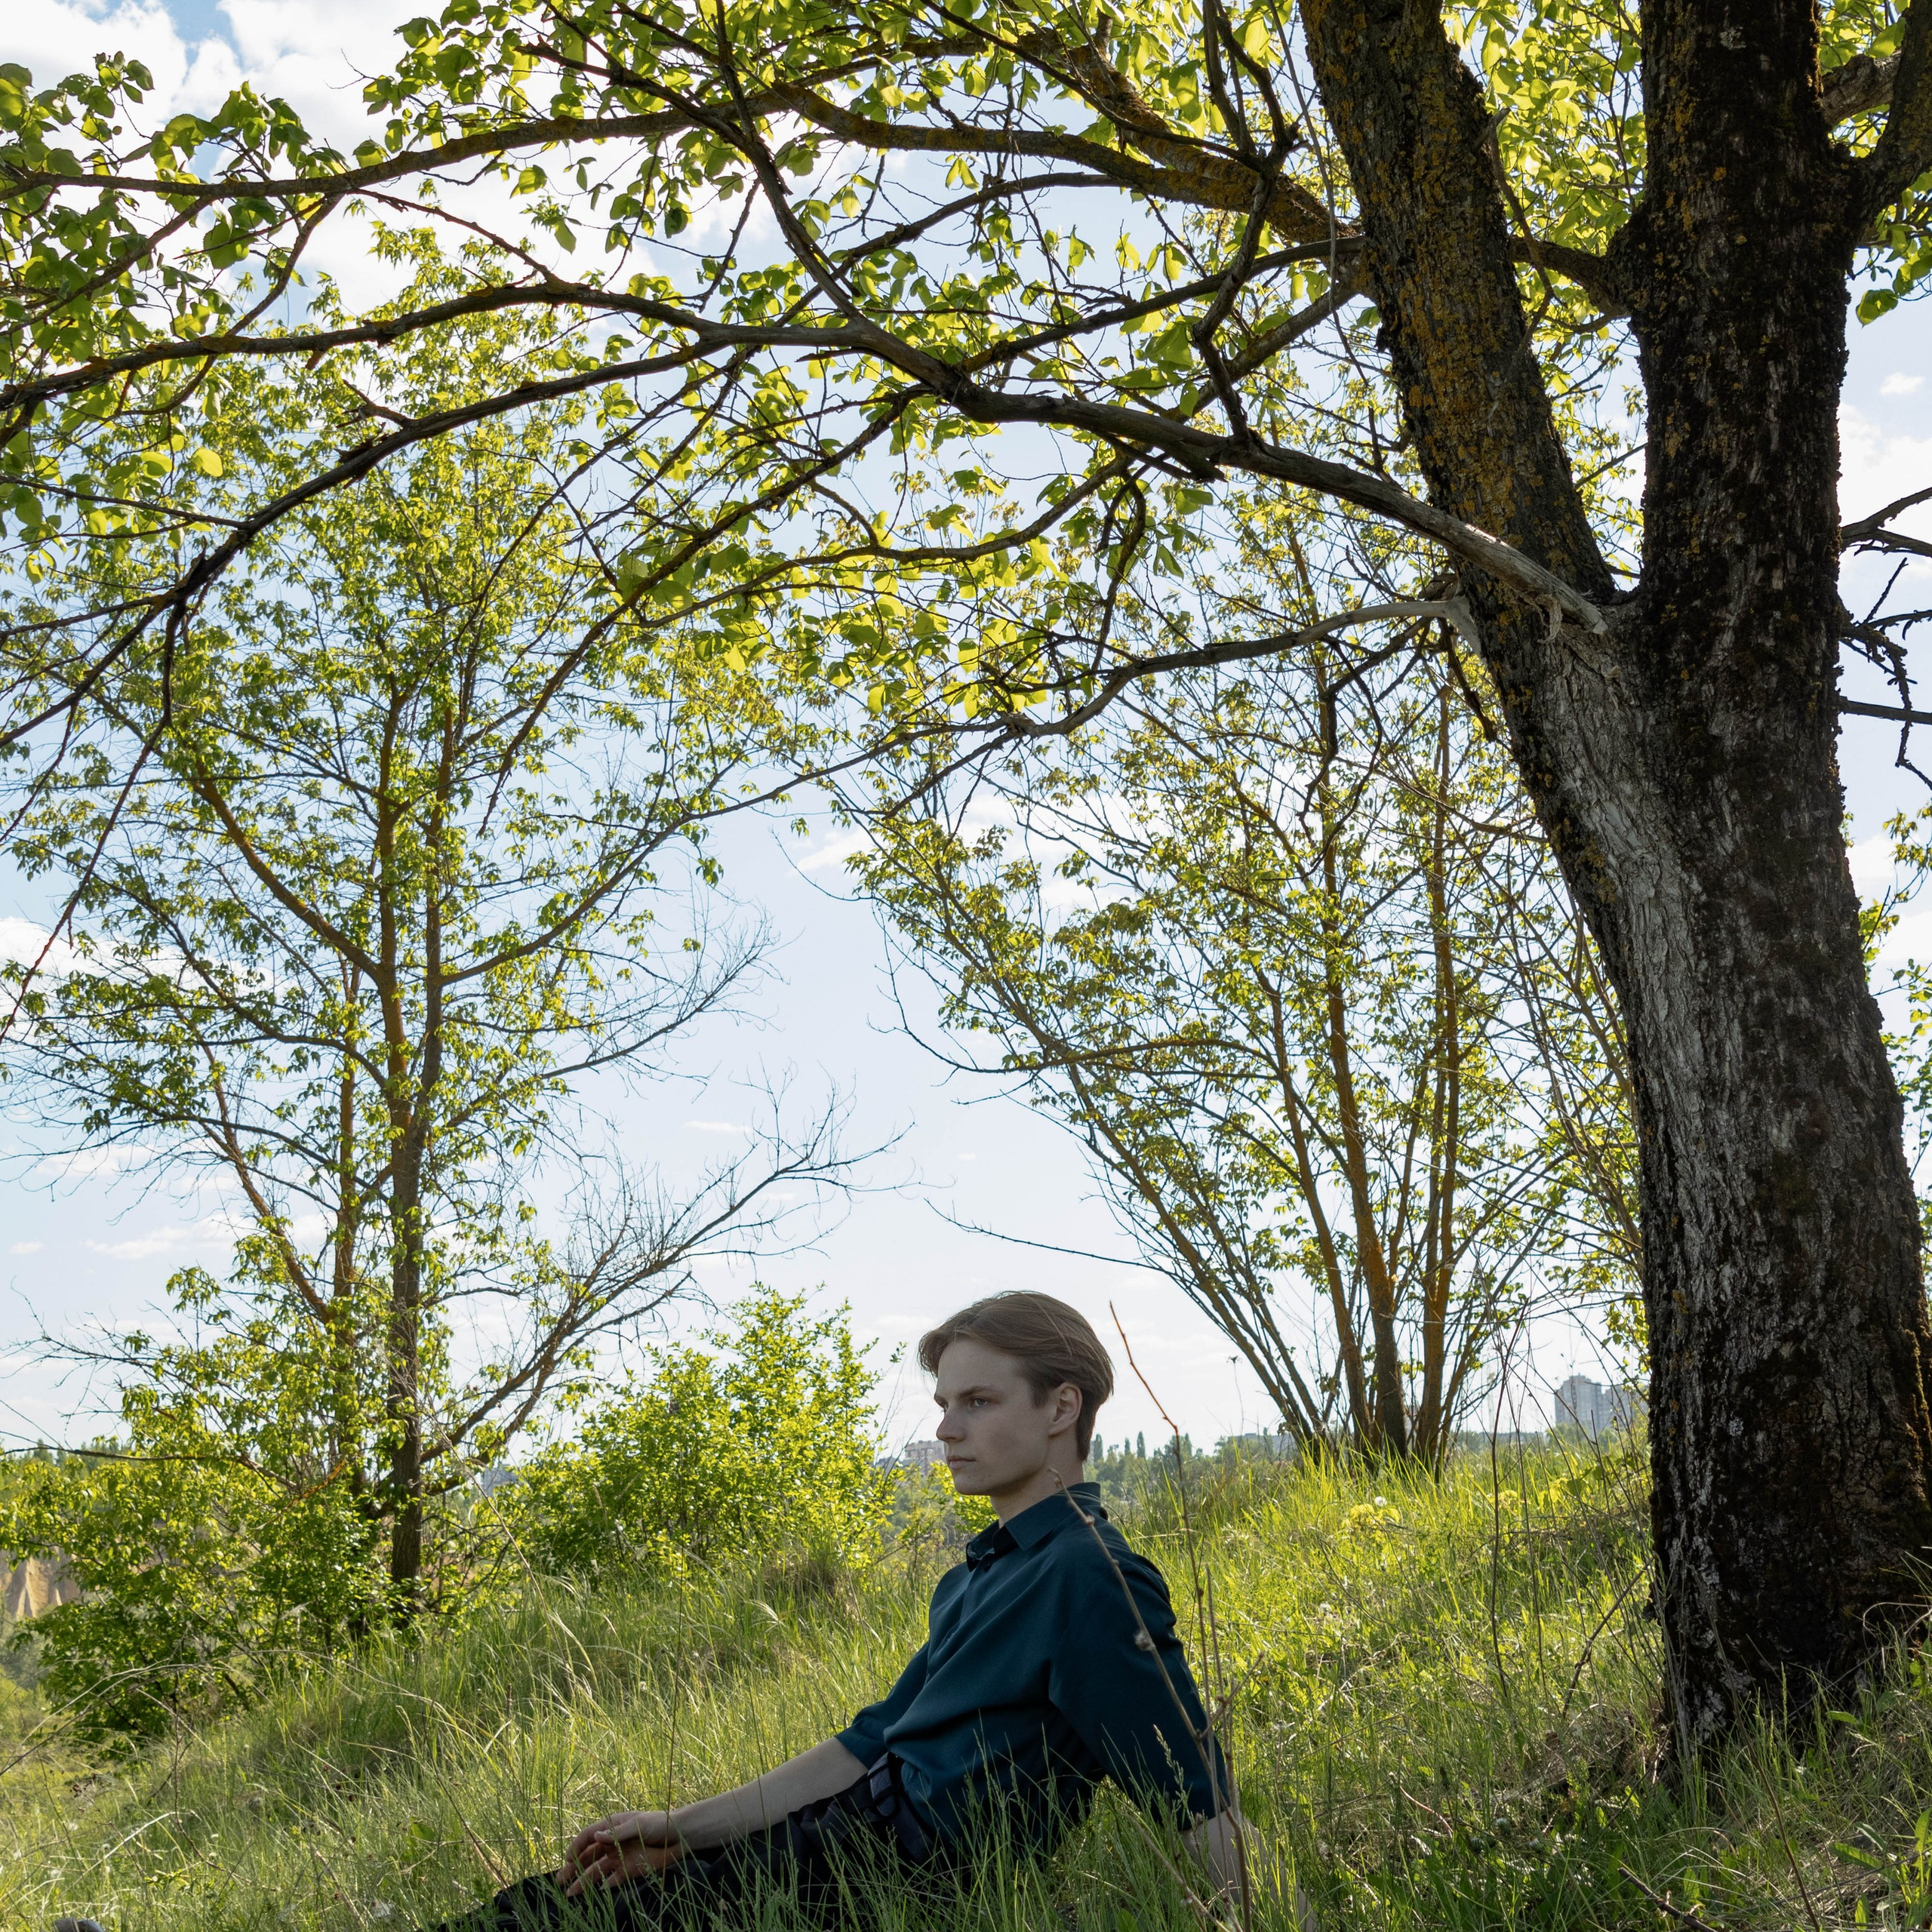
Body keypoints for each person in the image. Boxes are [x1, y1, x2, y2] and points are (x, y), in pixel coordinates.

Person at [438, 1291, 1250, 1930]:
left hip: (879, 1885)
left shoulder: (1090, 1575)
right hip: (827, 1848)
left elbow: (1193, 1796)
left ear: (1061, 1408)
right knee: (540, 1907)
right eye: (944, 1402)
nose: (945, 1428)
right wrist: (681, 1829)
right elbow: (866, 1745)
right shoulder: (977, 1575)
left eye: (977, 1401)